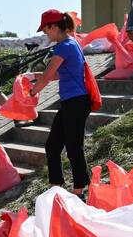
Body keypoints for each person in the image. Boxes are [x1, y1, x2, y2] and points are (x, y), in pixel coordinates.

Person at [31, 10, 92, 196]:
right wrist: (33, 76)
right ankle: (56, 189)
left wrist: (33, 91)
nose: (45, 33)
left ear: (54, 26)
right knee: (53, 145)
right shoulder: (68, 44)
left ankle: (80, 191)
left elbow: (49, 74)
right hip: (70, 102)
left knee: (74, 147)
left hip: (76, 101)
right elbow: (58, 73)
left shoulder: (64, 46)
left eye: (46, 29)